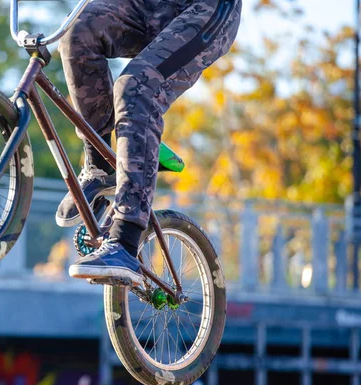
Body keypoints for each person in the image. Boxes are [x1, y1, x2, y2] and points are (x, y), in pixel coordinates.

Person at [57, 0, 241, 284]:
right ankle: (99, 164)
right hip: (146, 5)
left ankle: (125, 241)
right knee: (76, 34)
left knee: (135, 87)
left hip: (205, 9)